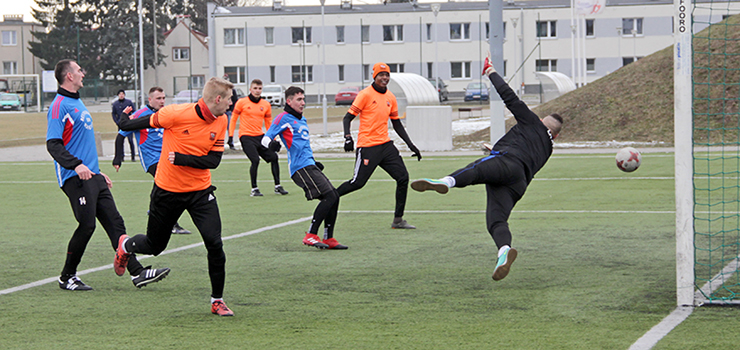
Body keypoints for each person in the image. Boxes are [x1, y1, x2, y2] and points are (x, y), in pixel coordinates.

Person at [410, 53, 564, 282]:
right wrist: (496, 148)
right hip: (518, 183)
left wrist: (491, 71)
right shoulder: (548, 149)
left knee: (475, 170)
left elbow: (509, 97)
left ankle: (445, 182)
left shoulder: (532, 121)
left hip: (506, 162)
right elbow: (524, 151)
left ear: (542, 121)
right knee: (496, 221)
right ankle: (503, 252)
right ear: (557, 135)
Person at [114, 77, 235, 316]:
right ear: (217, 99)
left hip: (200, 192)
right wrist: (124, 119)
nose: (232, 103)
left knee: (215, 243)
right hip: (167, 191)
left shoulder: (221, 120)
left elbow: (214, 161)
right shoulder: (175, 114)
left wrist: (183, 159)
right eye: (229, 98)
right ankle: (126, 245)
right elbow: (134, 125)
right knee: (154, 246)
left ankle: (217, 300)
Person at [46, 59, 170, 291]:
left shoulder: (77, 102)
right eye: (79, 70)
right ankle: (67, 277)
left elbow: (80, 144)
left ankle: (138, 273)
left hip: (92, 175)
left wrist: (97, 171)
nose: (83, 73)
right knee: (87, 225)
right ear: (69, 76)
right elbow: (53, 144)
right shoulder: (59, 105)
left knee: (116, 223)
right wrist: (77, 166)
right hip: (75, 176)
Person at [262, 86, 347, 250]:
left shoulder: (302, 119)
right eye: (299, 99)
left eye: (303, 99)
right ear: (289, 101)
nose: (303, 103)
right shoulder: (283, 118)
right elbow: (265, 139)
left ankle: (328, 238)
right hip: (299, 167)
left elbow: (303, 145)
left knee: (334, 196)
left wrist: (314, 162)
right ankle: (310, 235)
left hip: (309, 164)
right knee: (330, 196)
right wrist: (271, 145)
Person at [338, 62, 421, 229]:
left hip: (385, 146)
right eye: (381, 75)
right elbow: (347, 118)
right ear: (374, 76)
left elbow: (396, 124)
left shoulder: (391, 97)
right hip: (368, 146)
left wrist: (410, 145)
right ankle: (330, 196)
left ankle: (398, 220)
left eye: (387, 75)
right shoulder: (365, 95)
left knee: (403, 177)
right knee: (357, 183)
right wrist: (348, 137)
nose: (384, 78)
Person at [113, 86, 191, 235]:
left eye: (163, 98)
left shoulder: (165, 114)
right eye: (158, 98)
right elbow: (121, 134)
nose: (162, 101)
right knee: (170, 186)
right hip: (151, 159)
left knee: (171, 186)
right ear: (150, 99)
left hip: (168, 157)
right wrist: (118, 158)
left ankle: (154, 210)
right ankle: (172, 223)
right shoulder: (140, 115)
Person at [228, 79, 288, 197]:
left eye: (259, 88)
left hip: (260, 136)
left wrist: (272, 139)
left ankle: (277, 186)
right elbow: (234, 118)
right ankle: (254, 189)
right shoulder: (241, 102)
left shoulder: (265, 104)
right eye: (255, 88)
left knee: (274, 157)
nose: (257, 91)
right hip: (246, 137)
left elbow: (269, 123)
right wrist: (230, 136)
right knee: (255, 160)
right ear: (250, 89)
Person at [112, 89, 137, 162]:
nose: (121, 95)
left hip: (129, 125)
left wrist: (131, 119)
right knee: (120, 141)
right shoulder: (115, 104)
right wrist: (117, 122)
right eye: (120, 94)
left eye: (122, 94)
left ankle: (133, 156)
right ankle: (121, 157)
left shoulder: (128, 102)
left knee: (130, 140)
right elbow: (113, 113)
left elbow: (134, 111)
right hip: (120, 125)